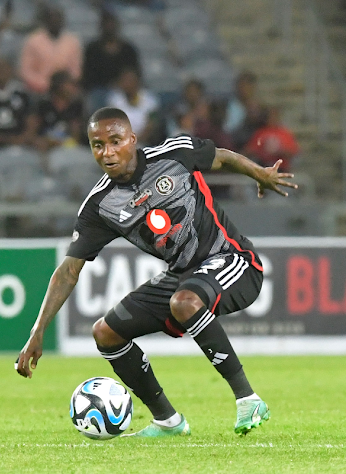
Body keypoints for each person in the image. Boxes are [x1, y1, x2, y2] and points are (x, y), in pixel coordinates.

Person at [16, 107, 297, 437]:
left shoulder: (174, 154)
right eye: (97, 145)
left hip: (235, 260)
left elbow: (221, 157)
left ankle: (248, 399)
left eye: (115, 141)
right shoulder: (100, 206)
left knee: (184, 301)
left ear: (132, 140)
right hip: (183, 276)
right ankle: (168, 421)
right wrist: (38, 331)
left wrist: (259, 174)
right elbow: (67, 272)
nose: (107, 152)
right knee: (106, 333)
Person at [82, 11, 140, 112]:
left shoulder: (128, 49)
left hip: (124, 89)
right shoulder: (92, 49)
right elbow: (88, 75)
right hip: (99, 89)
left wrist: (120, 84)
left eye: (111, 24)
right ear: (101, 27)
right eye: (106, 24)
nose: (109, 27)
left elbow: (135, 72)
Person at [19, 5, 81, 95]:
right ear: (46, 20)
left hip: (65, 91)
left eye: (58, 19)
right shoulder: (33, 41)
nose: (55, 22)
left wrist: (63, 85)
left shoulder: (72, 42)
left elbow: (75, 71)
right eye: (52, 19)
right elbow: (26, 71)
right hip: (38, 90)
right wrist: (46, 85)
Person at [0, 56, 35, 150]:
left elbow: (31, 121)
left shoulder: (22, 93)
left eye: (4, 68)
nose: (1, 72)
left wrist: (21, 138)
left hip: (20, 139)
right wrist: (3, 139)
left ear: (11, 70)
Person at [106, 68, 159, 145]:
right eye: (124, 81)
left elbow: (151, 125)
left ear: (137, 82)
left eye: (130, 81)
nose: (127, 84)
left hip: (143, 142)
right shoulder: (114, 100)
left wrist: (137, 140)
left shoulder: (150, 100)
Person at [33, 70, 83, 152]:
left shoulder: (76, 106)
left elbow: (76, 134)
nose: (73, 88)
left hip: (67, 148)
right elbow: (33, 131)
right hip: (44, 147)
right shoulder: (43, 105)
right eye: (70, 84)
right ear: (59, 86)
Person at [244, 106, 299, 173]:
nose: (272, 119)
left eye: (274, 117)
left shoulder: (284, 133)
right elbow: (249, 150)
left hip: (280, 168)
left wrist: (281, 151)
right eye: (270, 117)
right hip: (263, 167)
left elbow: (293, 152)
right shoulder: (261, 133)